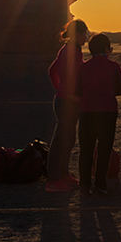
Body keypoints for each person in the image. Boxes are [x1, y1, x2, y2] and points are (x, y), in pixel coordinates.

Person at [77, 33, 121, 194]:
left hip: (87, 111)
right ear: (106, 49)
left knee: (86, 150)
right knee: (104, 150)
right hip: (107, 111)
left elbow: (77, 90)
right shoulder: (113, 66)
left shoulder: (84, 67)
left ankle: (84, 185)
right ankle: (100, 184)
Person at [45, 18, 89, 192]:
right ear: (77, 34)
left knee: (68, 138)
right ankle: (53, 180)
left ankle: (63, 174)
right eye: (84, 34)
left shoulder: (65, 50)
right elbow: (76, 76)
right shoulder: (74, 52)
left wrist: (60, 89)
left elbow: (52, 71)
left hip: (63, 99)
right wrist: (69, 93)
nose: (86, 37)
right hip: (68, 101)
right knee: (61, 140)